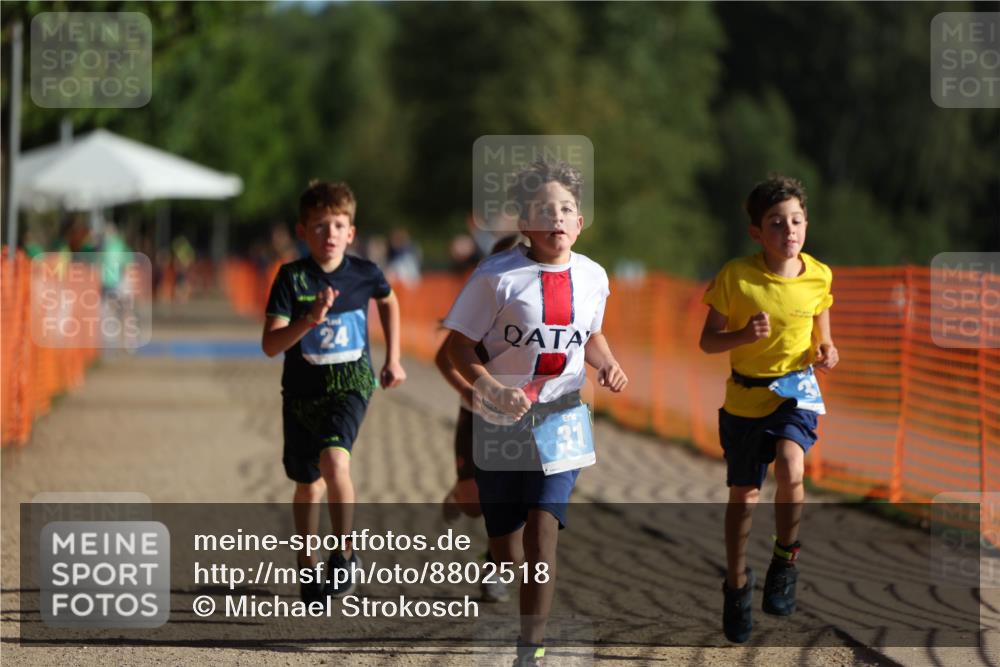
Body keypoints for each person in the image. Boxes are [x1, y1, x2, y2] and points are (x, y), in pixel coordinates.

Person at [444, 160, 627, 666]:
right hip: (501, 420)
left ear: (580, 221)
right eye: (545, 209)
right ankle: (497, 561)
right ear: (525, 222)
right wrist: (488, 388)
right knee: (507, 549)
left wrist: (607, 363)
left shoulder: (593, 276)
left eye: (567, 208)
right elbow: (459, 348)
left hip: (563, 416)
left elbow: (590, 334)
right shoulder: (496, 276)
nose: (558, 217)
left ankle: (531, 649)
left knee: (544, 527)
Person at [699, 175, 838, 643]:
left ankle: (785, 558)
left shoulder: (819, 275)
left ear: (806, 224)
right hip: (744, 399)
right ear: (757, 232)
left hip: (795, 393)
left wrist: (828, 351)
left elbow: (824, 333)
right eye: (776, 223)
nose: (789, 230)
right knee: (744, 497)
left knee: (791, 468)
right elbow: (707, 340)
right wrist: (742, 336)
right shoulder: (737, 276)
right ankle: (736, 584)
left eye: (797, 220)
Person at [262, 180, 406, 603]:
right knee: (308, 484)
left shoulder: (365, 273)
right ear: (302, 231)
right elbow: (270, 346)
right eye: (320, 226)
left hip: (351, 383)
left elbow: (389, 300)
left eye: (338, 225)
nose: (329, 235)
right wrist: (308, 319)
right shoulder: (291, 278)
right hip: (302, 391)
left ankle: (343, 554)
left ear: (351, 232)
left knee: (333, 462)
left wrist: (393, 357)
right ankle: (307, 564)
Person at [437, 233, 521, 604]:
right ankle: (458, 495)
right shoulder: (482, 306)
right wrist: (470, 392)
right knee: (474, 501)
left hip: (522, 420)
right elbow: (444, 357)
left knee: (511, 502)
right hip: (477, 416)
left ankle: (494, 570)